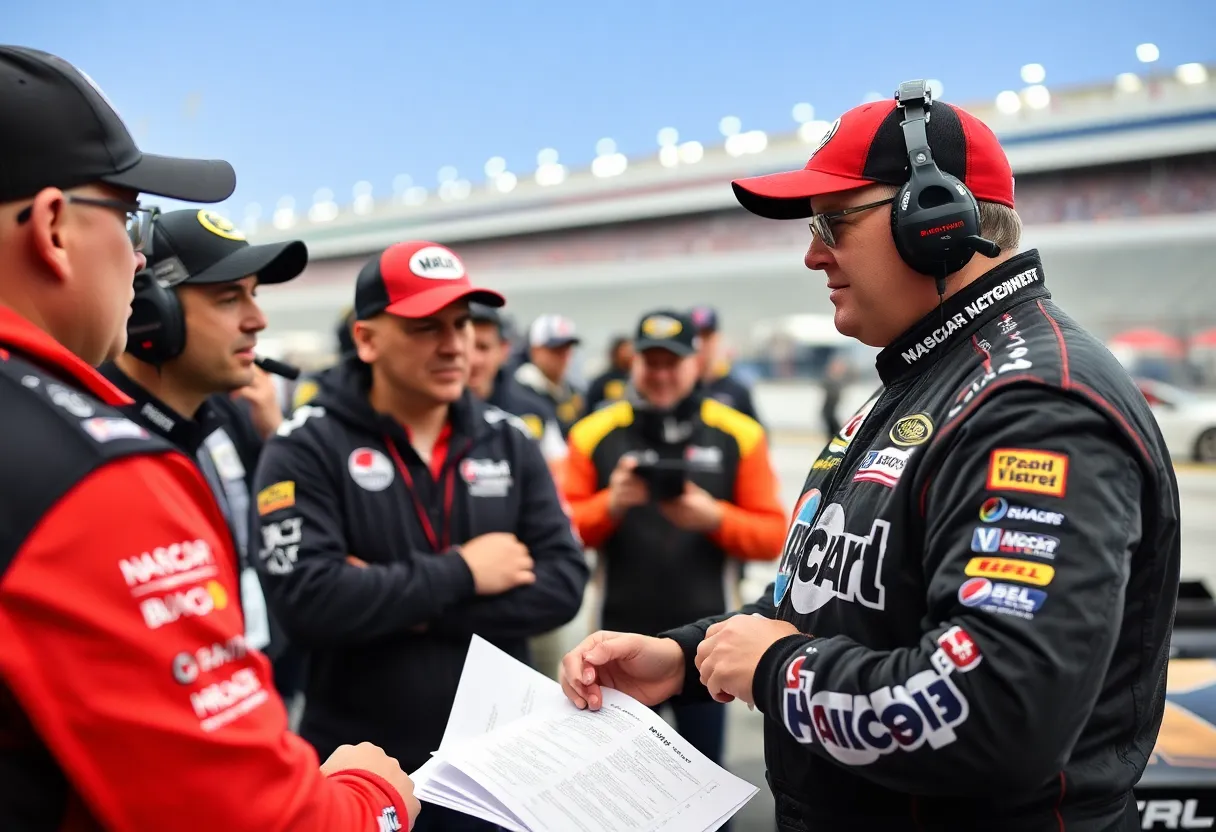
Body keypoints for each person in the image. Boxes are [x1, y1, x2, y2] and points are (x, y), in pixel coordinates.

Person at [558, 80, 1180, 831]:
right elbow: (842, 605)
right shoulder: (929, 378)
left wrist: (771, 669)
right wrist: (688, 658)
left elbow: (997, 711)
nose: (813, 254)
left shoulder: (1033, 407)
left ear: (937, 221)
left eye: (833, 222)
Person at [0, 44, 417, 831]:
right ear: (54, 227)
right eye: (126, 218)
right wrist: (375, 800)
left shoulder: (228, 430)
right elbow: (248, 817)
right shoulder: (95, 474)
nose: (256, 320)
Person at [252, 240, 589, 832]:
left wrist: (407, 606)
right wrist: (464, 572)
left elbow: (563, 585)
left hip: (496, 768)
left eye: (461, 323)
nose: (454, 343)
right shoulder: (304, 446)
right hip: (355, 770)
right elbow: (309, 601)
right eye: (425, 326)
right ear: (366, 339)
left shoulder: (509, 439)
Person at [561, 308, 787, 771]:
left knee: (705, 787)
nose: (661, 374)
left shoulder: (739, 434)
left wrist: (713, 517)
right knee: (617, 795)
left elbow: (773, 539)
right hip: (616, 646)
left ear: (696, 362)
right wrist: (612, 504)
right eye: (651, 362)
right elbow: (562, 533)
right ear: (633, 363)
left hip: (710, 646)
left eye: (673, 362)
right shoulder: (592, 433)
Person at [98, 206, 309, 696]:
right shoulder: (89, 433)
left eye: (253, 295)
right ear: (151, 312)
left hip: (257, 675)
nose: (258, 320)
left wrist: (273, 442)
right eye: (229, 299)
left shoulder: (232, 415)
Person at [467, 301, 566, 464]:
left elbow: (560, 473)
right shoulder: (432, 414)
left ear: (504, 350)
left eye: (483, 347)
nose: (473, 360)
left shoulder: (533, 411)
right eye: (466, 346)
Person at [690, 305, 762, 424]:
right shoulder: (678, 388)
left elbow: (758, 436)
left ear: (717, 338)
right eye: (696, 337)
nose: (701, 344)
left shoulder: (737, 390)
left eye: (706, 337)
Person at [515, 313, 585, 435]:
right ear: (535, 351)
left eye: (567, 349)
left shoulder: (572, 392)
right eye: (556, 350)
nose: (563, 357)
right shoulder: (517, 394)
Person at [584, 334, 633, 411]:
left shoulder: (637, 380)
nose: (629, 354)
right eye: (625, 350)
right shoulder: (602, 382)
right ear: (615, 353)